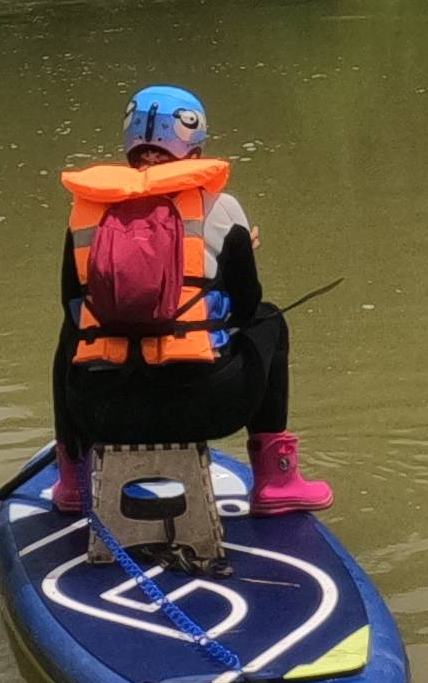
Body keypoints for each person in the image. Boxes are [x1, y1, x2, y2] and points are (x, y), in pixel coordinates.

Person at [50, 83, 328, 568]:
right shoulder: (223, 208)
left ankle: (72, 480)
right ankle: (277, 480)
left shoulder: (85, 216)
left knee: (72, 332)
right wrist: (226, 262)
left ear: (129, 145)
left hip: (104, 412)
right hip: (207, 407)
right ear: (194, 147)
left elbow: (72, 305)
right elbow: (246, 307)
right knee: (269, 319)